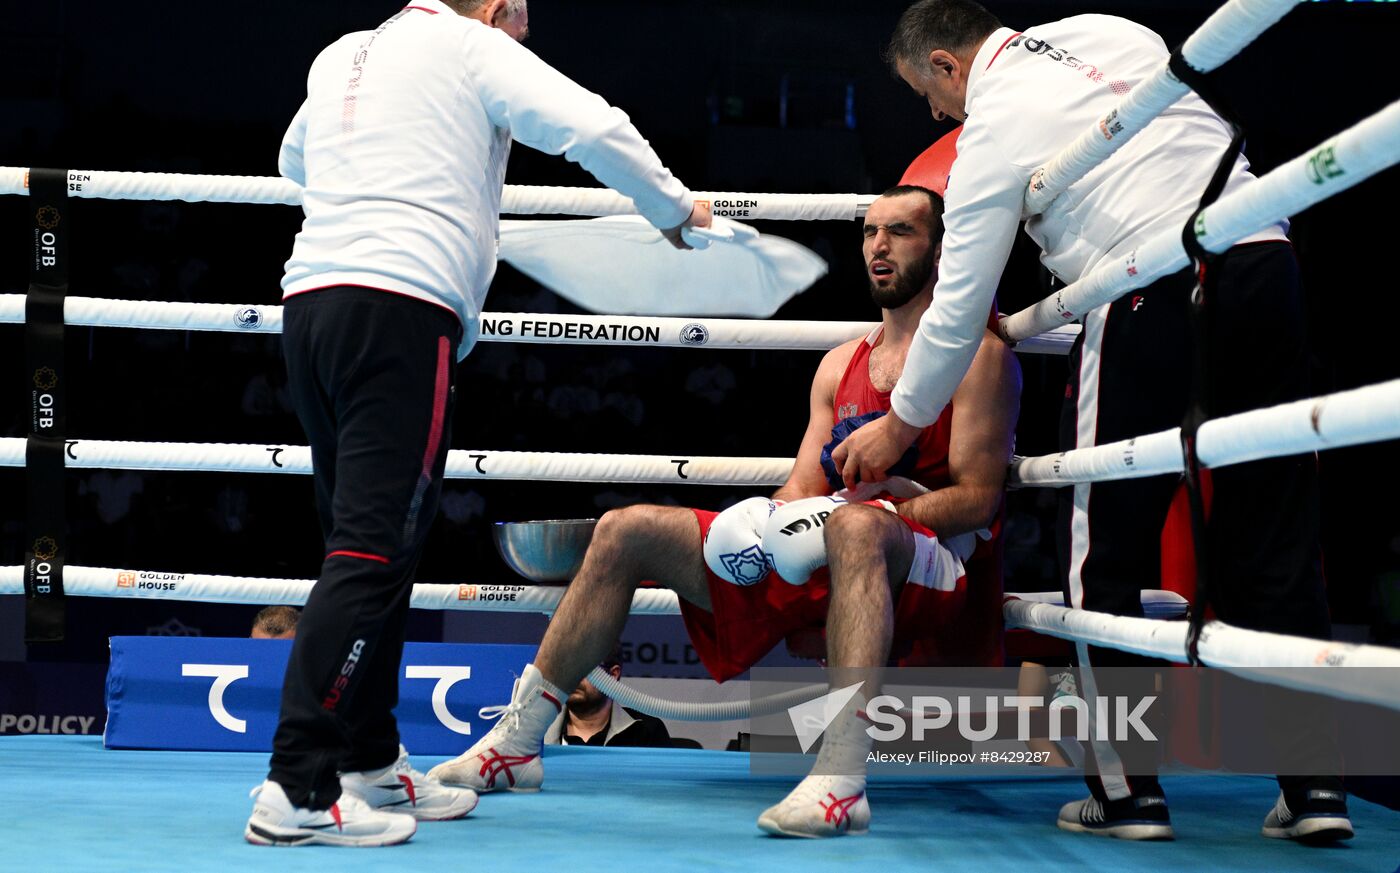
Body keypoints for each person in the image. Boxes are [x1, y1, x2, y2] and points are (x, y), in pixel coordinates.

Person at [834, 0, 1348, 843]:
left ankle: (1126, 794)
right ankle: (1316, 791)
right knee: (1278, 535)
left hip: (1150, 288)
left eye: (926, 94)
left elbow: (959, 304)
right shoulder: (1112, 28)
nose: (934, 116)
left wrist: (898, 422)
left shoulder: (990, 134)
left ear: (944, 66)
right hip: (1266, 260)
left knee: (1103, 557)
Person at [245, 0, 710, 848]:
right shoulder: (469, 44)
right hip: (398, 308)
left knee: (378, 544)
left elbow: (294, 156)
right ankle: (296, 785)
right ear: (495, 10)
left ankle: (368, 764)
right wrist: (674, 208)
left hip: (314, 307)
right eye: (524, 19)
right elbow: (592, 125)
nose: (528, 35)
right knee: (372, 548)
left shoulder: (344, 52)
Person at [428, 185, 1022, 838]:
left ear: (940, 250)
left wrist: (869, 514)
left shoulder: (979, 357)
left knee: (854, 525)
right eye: (870, 231)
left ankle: (841, 780)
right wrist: (767, 523)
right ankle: (518, 741)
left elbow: (977, 499)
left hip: (927, 568)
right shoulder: (837, 366)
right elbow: (801, 488)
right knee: (628, 527)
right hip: (834, 544)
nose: (879, 246)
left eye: (901, 232)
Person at [545, 652, 673, 748]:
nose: (573, 677)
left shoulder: (647, 732)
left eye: (585, 667)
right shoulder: (537, 730)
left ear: (613, 674)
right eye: (566, 668)